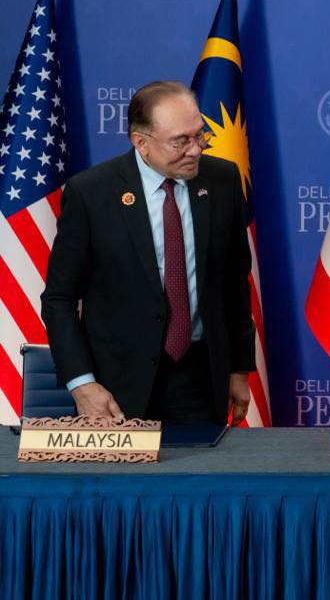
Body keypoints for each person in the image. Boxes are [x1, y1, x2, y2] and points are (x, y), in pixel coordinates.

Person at [43, 81, 255, 424]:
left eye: (199, 135)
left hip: (200, 378)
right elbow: (59, 299)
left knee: (199, 478)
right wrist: (82, 385)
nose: (196, 149)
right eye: (180, 141)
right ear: (141, 143)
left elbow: (234, 283)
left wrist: (238, 369)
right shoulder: (91, 193)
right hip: (115, 386)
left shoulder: (222, 180)